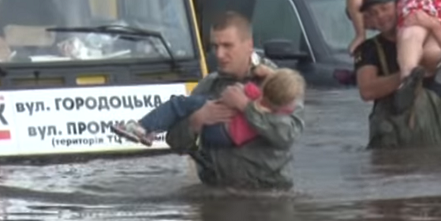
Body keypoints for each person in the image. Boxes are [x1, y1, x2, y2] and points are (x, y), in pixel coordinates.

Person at [164, 11, 305, 191]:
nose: (220, 54)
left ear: (249, 45)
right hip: (217, 193)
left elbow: (288, 134)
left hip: (267, 196)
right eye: (215, 46)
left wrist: (246, 106)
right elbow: (175, 143)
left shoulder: (279, 83)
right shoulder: (208, 86)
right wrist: (196, 121)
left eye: (227, 46)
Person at [352, 1, 441, 149]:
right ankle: (409, 79)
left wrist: (433, 26)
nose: (380, 16)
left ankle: (435, 65)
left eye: (384, 8)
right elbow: (367, 91)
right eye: (372, 14)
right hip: (392, 133)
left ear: (399, 8)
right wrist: (407, 76)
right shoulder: (369, 49)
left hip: (433, 127)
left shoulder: (426, 36)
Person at [112, 67, 305, 148]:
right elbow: (282, 96)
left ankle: (142, 127)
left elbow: (235, 92)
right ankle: (149, 130)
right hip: (226, 139)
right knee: (185, 114)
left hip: (219, 127)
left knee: (178, 104)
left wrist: (243, 99)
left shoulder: (256, 96)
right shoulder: (284, 109)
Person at [346, 0, 441, 87]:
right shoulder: (371, 47)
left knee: (409, 40)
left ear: (396, 4)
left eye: (385, 8)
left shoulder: (408, 11)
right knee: (430, 54)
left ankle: (408, 77)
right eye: (370, 16)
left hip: (438, 7)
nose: (380, 16)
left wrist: (360, 34)